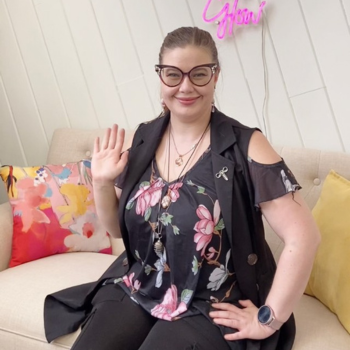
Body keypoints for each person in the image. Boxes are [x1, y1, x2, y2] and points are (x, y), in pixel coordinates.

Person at [44, 27, 320, 350]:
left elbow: (304, 237)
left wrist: (267, 319)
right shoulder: (143, 139)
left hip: (211, 303)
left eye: (199, 74)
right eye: (173, 74)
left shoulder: (247, 146)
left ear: (216, 76)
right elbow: (116, 231)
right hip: (143, 285)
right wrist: (103, 183)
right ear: (160, 78)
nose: (186, 86)